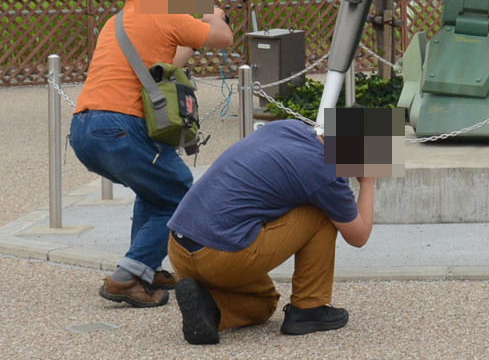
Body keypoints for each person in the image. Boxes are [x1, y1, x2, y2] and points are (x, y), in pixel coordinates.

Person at [69, 0, 232, 307]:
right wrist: (209, 11)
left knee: (153, 192)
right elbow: (224, 38)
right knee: (180, 197)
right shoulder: (164, 13)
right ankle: (126, 278)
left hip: (84, 129)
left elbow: (164, 70)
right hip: (123, 129)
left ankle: (148, 269)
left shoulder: (115, 22)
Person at [166, 104, 398, 345]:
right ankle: (310, 307)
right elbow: (358, 236)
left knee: (265, 302)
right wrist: (369, 180)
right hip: (221, 256)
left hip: (179, 246)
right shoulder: (325, 173)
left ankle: (209, 308)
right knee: (323, 213)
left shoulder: (287, 127)